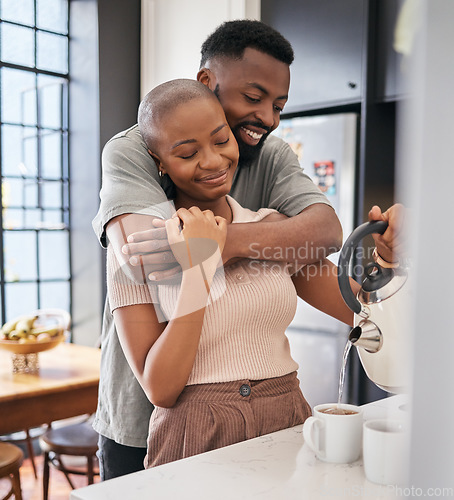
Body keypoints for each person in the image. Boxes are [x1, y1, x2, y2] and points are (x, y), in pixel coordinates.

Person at [92, 20, 398, 479]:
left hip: (286, 418)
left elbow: (356, 305)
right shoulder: (129, 164)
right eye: (187, 151)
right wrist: (198, 262)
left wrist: (388, 257)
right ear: (159, 161)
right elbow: (160, 380)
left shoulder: (271, 218)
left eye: (220, 140)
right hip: (180, 429)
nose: (214, 160)